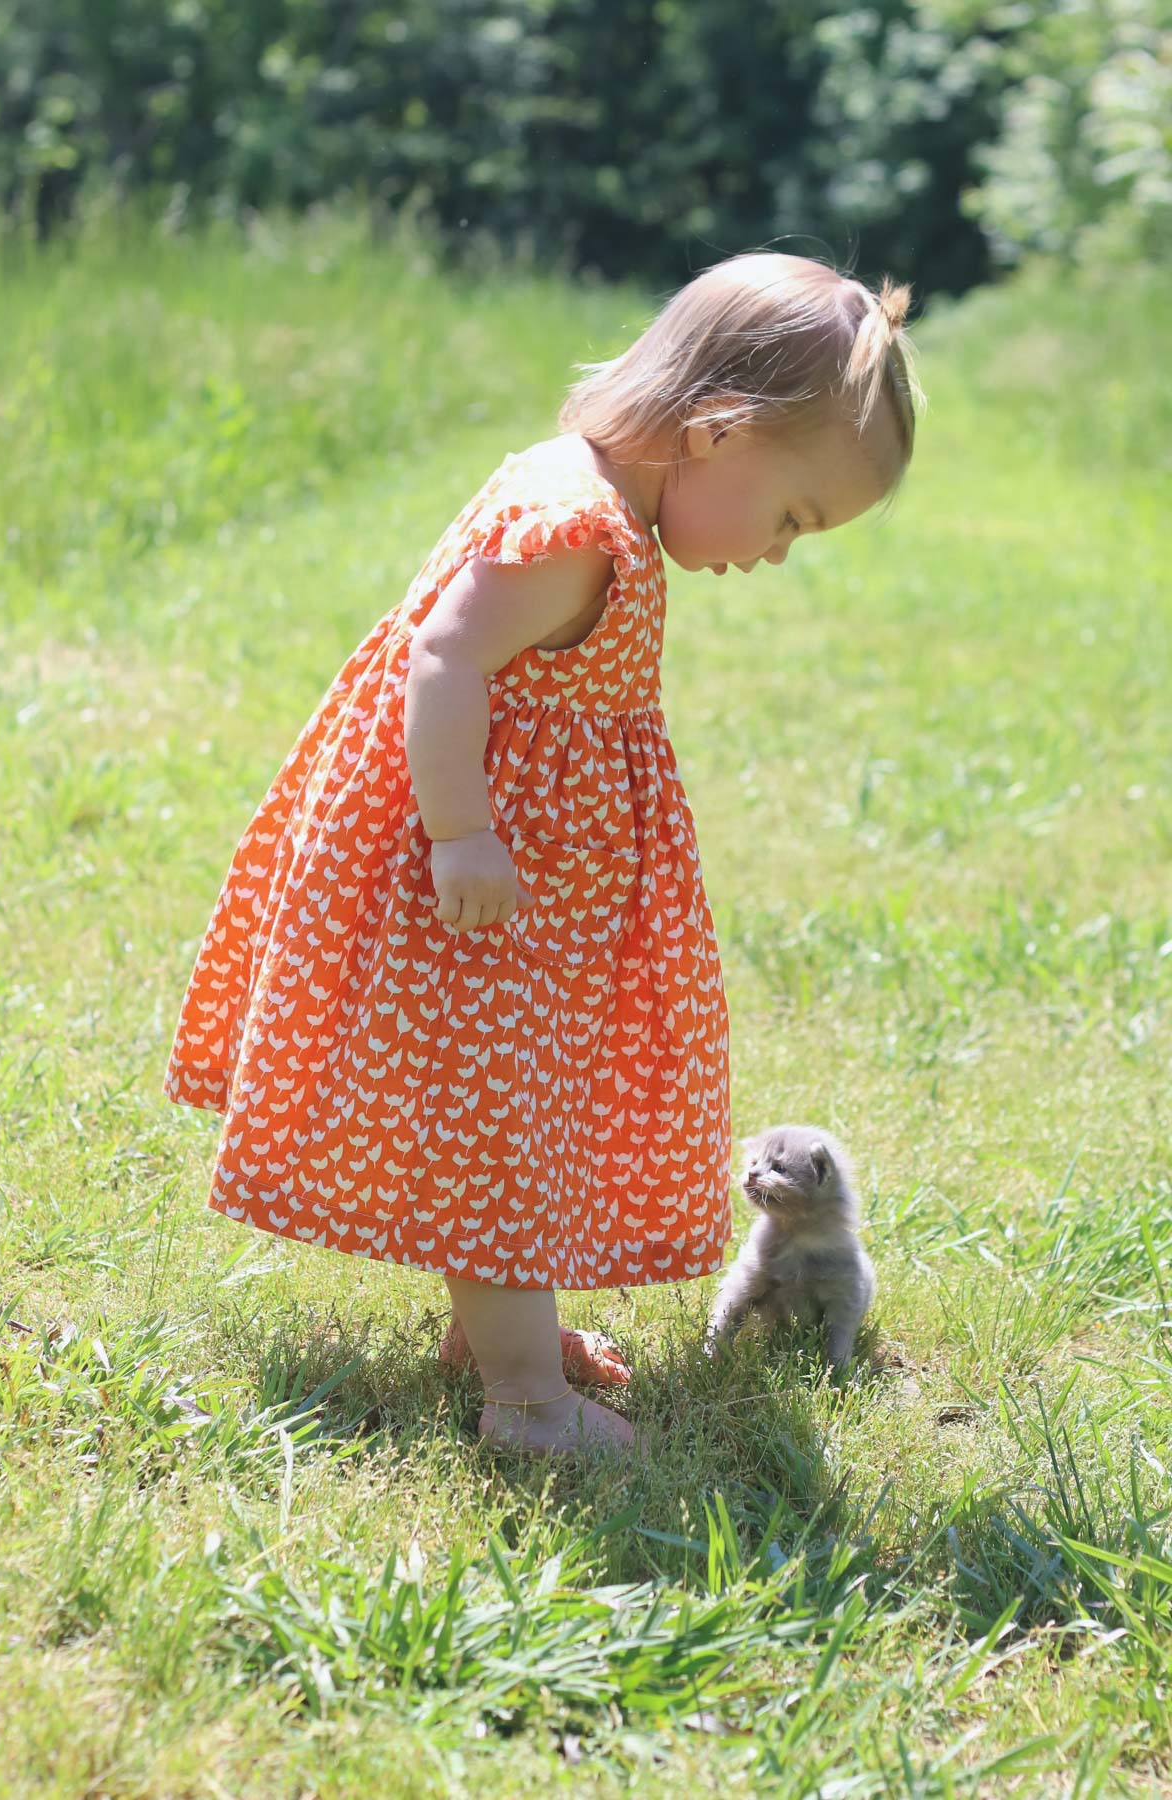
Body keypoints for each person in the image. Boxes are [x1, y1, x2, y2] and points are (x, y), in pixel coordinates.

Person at [163, 249, 924, 1459]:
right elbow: (444, 660)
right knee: (509, 1132)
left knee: (512, 1120)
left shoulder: (596, 499)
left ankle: (497, 1332)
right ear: (719, 432)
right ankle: (525, 1402)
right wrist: (462, 829)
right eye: (791, 516)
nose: (777, 552)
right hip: (476, 887)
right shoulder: (578, 530)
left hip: (523, 893)